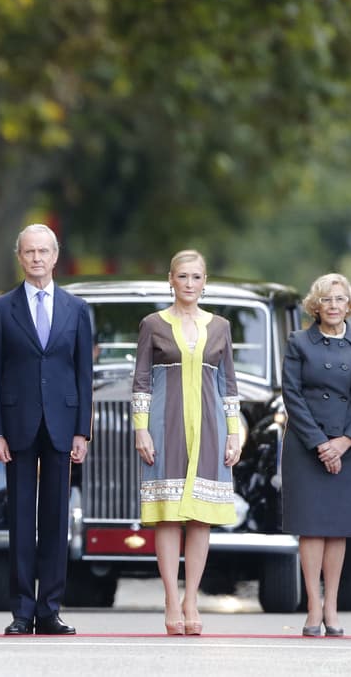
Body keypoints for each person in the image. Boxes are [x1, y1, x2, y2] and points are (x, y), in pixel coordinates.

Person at [0, 223, 92, 636]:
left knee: (57, 519)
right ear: (20, 257)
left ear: (55, 256)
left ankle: (50, 610)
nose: (37, 258)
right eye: (30, 251)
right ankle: (22, 611)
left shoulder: (77, 309)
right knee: (22, 520)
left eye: (44, 251)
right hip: (17, 425)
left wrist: (82, 431)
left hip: (62, 424)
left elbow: (84, 373)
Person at [132, 249, 242, 636]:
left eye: (196, 277)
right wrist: (141, 428)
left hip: (210, 426)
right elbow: (141, 379)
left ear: (205, 281)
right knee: (167, 514)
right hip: (165, 425)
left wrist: (234, 432)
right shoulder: (152, 324)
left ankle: (191, 599)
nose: (189, 283)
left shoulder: (221, 326)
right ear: (171, 279)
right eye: (182, 276)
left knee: (200, 517)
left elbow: (228, 383)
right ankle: (170, 598)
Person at [281, 273, 351, 637]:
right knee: (311, 528)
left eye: (340, 299)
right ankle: (313, 606)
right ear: (316, 305)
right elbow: (291, 394)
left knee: (338, 529)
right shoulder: (298, 342)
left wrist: (344, 442)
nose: (334, 305)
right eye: (327, 299)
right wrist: (321, 444)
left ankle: (332, 607)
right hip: (306, 446)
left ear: (349, 305)